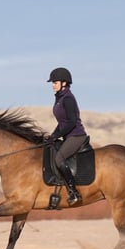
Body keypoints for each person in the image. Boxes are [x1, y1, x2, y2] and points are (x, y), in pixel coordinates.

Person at [45, 67, 88, 205]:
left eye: (55, 82)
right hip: (68, 136)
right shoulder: (60, 98)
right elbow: (62, 122)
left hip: (76, 136)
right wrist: (53, 135)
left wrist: (57, 134)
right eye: (52, 83)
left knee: (59, 159)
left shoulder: (68, 98)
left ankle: (74, 192)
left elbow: (70, 122)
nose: (53, 85)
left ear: (64, 83)